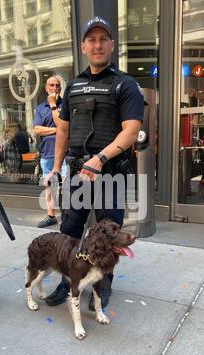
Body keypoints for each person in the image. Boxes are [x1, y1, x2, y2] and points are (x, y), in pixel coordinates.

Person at [44, 16, 143, 308]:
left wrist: (100, 158)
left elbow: (132, 129)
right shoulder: (73, 85)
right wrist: (55, 167)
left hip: (109, 173)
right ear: (83, 46)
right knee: (69, 231)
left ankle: (102, 289)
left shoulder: (124, 84)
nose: (97, 45)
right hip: (77, 173)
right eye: (92, 40)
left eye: (103, 39)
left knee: (108, 234)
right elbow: (63, 129)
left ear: (112, 45)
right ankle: (68, 282)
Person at [33, 76, 67, 228]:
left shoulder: (65, 105)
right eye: (51, 85)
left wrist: (53, 104)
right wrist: (58, 130)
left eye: (57, 85)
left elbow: (63, 124)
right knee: (49, 187)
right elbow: (37, 129)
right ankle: (51, 215)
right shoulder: (40, 108)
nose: (55, 88)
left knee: (66, 186)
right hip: (46, 154)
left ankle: (68, 216)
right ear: (46, 88)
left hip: (64, 155)